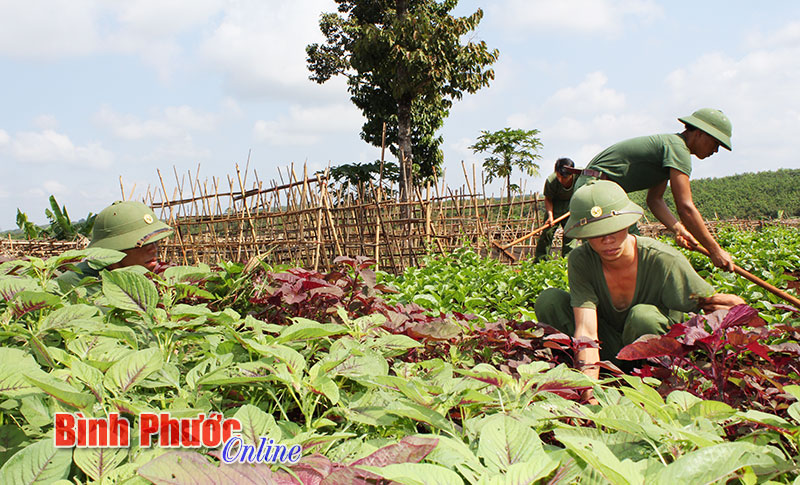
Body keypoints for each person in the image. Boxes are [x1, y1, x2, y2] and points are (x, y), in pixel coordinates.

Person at [534, 180, 744, 386]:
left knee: (643, 317)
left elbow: (715, 305)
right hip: (606, 347)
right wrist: (588, 393)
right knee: (549, 300)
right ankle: (584, 376)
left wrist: (743, 321)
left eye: (613, 229)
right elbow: (587, 331)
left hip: (650, 352)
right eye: (596, 234)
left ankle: (648, 382)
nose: (607, 240)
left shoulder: (663, 259)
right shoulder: (581, 260)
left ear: (627, 223)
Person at [573, 108, 735, 271]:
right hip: (596, 190)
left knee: (634, 253)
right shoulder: (677, 148)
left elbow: (655, 200)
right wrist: (715, 250)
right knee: (621, 255)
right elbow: (685, 207)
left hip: (605, 191)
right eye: (715, 143)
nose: (715, 150)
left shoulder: (670, 148)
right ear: (700, 133)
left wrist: (679, 230)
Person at [57, 201, 173, 289]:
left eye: (154, 242)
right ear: (113, 252)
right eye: (142, 244)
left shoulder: (156, 278)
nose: (153, 250)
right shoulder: (81, 285)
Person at [534, 158, 576, 262]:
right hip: (555, 205)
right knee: (547, 233)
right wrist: (550, 216)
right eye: (559, 176)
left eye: (564, 178)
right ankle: (540, 261)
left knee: (570, 234)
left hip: (572, 204)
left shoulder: (580, 176)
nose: (561, 180)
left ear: (571, 175)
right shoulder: (551, 180)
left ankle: (567, 262)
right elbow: (548, 199)